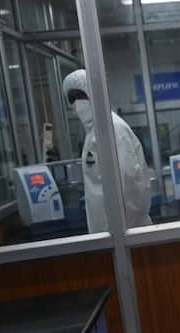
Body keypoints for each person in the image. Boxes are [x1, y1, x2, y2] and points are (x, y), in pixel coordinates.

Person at [63, 70, 152, 232]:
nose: (77, 103)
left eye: (81, 96)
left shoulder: (113, 128)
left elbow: (127, 183)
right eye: (72, 99)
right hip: (106, 232)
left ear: (95, 94)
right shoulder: (94, 131)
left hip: (125, 231)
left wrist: (121, 233)